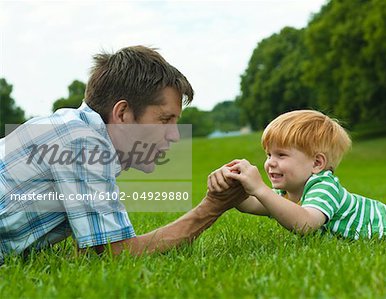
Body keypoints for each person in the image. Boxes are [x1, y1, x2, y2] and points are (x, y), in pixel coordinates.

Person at [0, 45, 247, 263]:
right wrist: (212, 207)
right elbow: (116, 253)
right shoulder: (82, 143)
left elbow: (92, 252)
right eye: (164, 120)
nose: (174, 135)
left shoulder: (77, 131)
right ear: (123, 114)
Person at [208, 110, 386, 239]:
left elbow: (305, 224)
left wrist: (259, 188)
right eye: (268, 154)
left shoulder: (324, 185)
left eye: (281, 155)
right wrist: (233, 188)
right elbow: (254, 206)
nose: (270, 163)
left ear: (317, 163)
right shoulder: (287, 192)